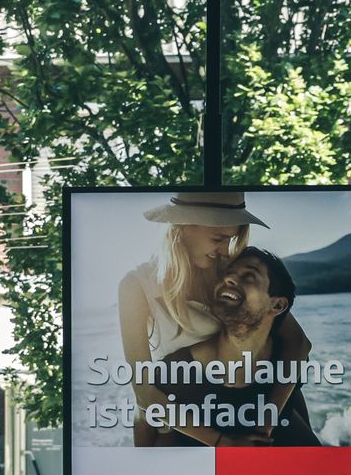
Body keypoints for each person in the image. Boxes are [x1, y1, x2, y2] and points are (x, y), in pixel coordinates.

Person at [116, 192, 311, 446]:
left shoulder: (231, 273)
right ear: (183, 227)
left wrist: (265, 422)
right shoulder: (138, 287)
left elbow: (298, 344)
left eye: (230, 239)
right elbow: (144, 393)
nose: (224, 250)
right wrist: (223, 443)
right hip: (196, 426)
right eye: (218, 238)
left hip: (267, 409)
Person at [141, 246, 322, 448]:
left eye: (249, 277)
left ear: (277, 306)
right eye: (227, 274)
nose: (228, 279)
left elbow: (303, 430)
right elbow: (148, 438)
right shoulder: (175, 374)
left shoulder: (286, 361)